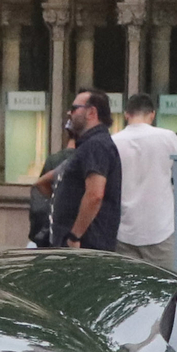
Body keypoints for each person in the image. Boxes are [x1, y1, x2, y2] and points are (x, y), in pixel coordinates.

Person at [111, 94, 177, 268]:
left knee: (128, 289)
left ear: (126, 114)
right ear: (152, 114)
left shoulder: (113, 141)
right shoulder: (168, 137)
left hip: (124, 230)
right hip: (161, 227)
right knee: (166, 289)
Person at [51, 89, 122, 250]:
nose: (70, 113)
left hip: (87, 245)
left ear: (91, 112)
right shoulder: (89, 145)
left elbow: (95, 194)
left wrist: (75, 236)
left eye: (74, 108)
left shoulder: (96, 145)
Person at [31, 125, 75, 249]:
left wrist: (55, 198)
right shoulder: (83, 159)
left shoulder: (53, 160)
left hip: (51, 229)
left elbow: (39, 186)